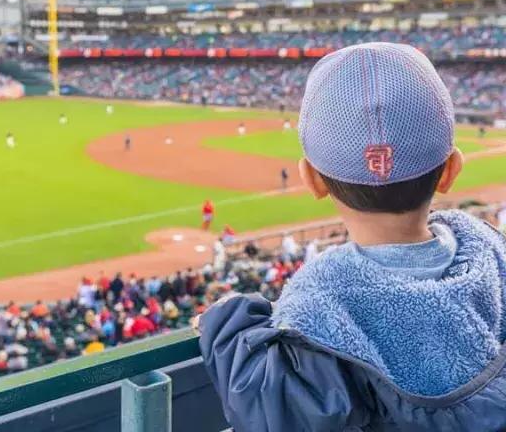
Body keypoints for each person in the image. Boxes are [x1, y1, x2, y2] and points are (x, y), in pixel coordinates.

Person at [197, 42, 506, 431]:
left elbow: (270, 411)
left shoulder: (317, 304)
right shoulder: (493, 258)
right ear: (451, 171)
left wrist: (227, 321)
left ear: (312, 180)